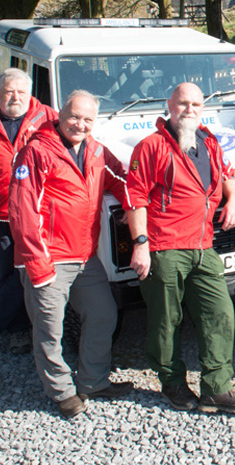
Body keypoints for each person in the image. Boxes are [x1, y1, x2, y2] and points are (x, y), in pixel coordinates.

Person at [126, 82, 235, 414]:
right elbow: (135, 198)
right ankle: (172, 384)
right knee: (166, 320)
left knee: (220, 313)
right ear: (169, 105)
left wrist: (234, 199)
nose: (190, 110)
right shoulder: (151, 146)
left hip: (203, 245)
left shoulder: (208, 141)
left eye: (196, 104)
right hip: (165, 247)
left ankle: (216, 388)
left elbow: (229, 173)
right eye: (183, 103)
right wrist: (141, 245)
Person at [9, 90, 133, 418]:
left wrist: (132, 208)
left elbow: (121, 178)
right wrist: (38, 264)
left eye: (88, 120)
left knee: (104, 313)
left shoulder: (95, 150)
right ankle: (61, 391)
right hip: (48, 258)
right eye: (75, 117)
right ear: (61, 114)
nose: (80, 125)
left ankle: (93, 381)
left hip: (83, 256)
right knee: (50, 329)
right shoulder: (35, 152)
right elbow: (23, 210)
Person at [0, 68, 58, 356]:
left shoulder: (46, 116)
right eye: (9, 91)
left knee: (21, 273)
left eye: (21, 92)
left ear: (30, 93)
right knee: (4, 272)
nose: (15, 97)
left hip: (33, 213)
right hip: (1, 216)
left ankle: (17, 329)